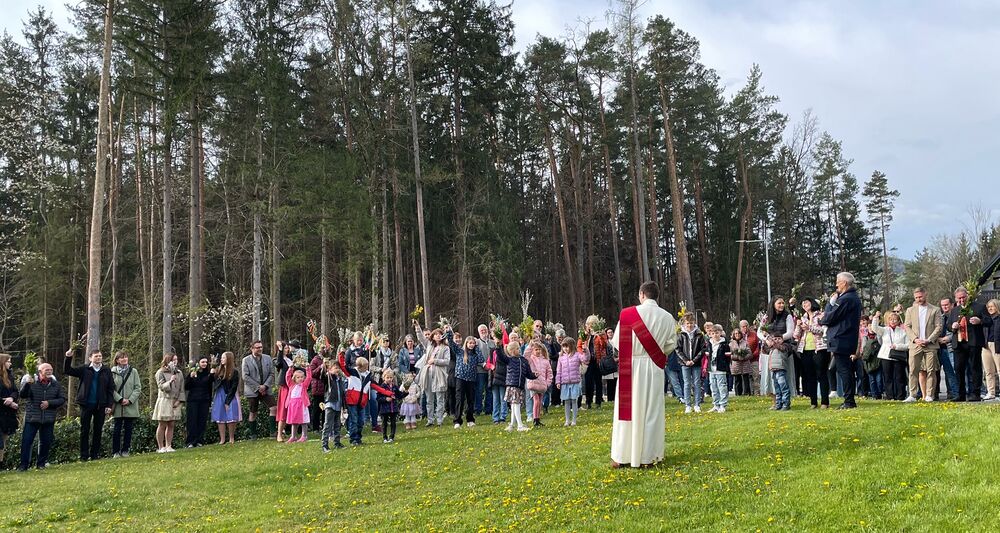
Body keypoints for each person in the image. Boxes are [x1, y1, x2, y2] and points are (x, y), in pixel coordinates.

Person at [609, 281, 677, 468]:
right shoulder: (667, 317)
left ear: (641, 294)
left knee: (626, 412)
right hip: (653, 367)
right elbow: (671, 345)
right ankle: (649, 457)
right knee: (651, 412)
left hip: (630, 366)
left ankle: (622, 456)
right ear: (657, 296)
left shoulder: (627, 314)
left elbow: (617, 342)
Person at [819, 272, 863, 409]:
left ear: (844, 283)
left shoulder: (846, 299)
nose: (836, 284)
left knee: (844, 370)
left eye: (838, 281)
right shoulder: (852, 297)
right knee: (845, 370)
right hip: (846, 337)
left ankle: (849, 401)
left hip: (841, 337)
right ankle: (849, 399)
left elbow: (830, 317)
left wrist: (829, 305)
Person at [63, 346, 114, 461]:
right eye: (96, 356)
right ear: (90, 358)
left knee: (98, 430)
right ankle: (84, 455)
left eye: (100, 356)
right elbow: (68, 370)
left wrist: (109, 405)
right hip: (86, 404)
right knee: (84, 430)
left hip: (101, 405)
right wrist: (68, 357)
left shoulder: (106, 370)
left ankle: (95, 454)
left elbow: (111, 388)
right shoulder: (84, 369)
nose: (98, 358)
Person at [946, 286, 993, 402]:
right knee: (958, 368)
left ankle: (975, 394)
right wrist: (952, 327)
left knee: (974, 368)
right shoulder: (955, 310)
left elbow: (989, 321)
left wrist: (980, 321)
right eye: (959, 298)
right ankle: (960, 394)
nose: (962, 300)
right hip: (959, 344)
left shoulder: (979, 307)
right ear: (956, 299)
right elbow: (948, 325)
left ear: (967, 296)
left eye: (963, 297)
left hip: (973, 342)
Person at [18, 363, 65, 471]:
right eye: (46, 370)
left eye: (51, 370)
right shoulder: (32, 382)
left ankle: (41, 464)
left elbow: (62, 399)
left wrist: (49, 403)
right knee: (27, 441)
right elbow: (23, 395)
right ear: (40, 372)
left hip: (48, 418)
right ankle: (24, 465)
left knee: (46, 442)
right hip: (32, 417)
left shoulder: (56, 384)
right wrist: (27, 384)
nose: (49, 372)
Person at [903, 288, 943, 402]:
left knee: (931, 370)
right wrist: (915, 339)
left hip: (930, 345)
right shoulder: (910, 310)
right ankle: (912, 394)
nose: (918, 299)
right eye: (916, 298)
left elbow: (939, 326)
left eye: (920, 297)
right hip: (915, 345)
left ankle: (929, 395)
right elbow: (907, 326)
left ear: (925, 295)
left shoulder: (935, 309)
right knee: (913, 370)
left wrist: (929, 340)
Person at [759, 296, 796, 409]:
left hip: (782, 349)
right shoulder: (766, 317)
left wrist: (778, 339)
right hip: (769, 349)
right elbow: (760, 331)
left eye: (783, 303)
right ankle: (776, 402)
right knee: (772, 378)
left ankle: (786, 401)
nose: (781, 305)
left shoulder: (787, 316)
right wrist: (766, 339)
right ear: (773, 304)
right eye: (779, 303)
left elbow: (790, 332)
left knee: (782, 377)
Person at [795, 298, 831, 409]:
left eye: (806, 302)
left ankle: (824, 402)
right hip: (805, 349)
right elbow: (796, 335)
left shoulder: (821, 315)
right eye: (803, 303)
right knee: (810, 376)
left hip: (820, 348)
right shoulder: (803, 317)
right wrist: (798, 325)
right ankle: (813, 402)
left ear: (812, 303)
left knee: (821, 374)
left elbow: (824, 330)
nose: (804, 304)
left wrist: (809, 327)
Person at [414, 321, 449, 426]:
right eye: (436, 334)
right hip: (427, 374)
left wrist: (435, 361)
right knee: (429, 398)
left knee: (440, 398)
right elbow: (421, 338)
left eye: (439, 334)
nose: (438, 336)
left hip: (439, 375)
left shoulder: (446, 348)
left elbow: (447, 361)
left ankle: (439, 420)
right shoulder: (429, 345)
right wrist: (417, 326)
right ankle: (430, 420)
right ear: (433, 337)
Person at [495, 341, 536, 432]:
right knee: (516, 404)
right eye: (517, 348)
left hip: (519, 386)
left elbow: (528, 374)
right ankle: (520, 425)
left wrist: (534, 375)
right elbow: (501, 356)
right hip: (512, 385)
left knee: (514, 405)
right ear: (512, 351)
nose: (519, 350)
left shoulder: (524, 360)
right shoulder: (509, 360)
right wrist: (498, 347)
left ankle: (512, 425)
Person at [871, 311, 908, 401]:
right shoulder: (885, 330)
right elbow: (874, 328)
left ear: (898, 321)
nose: (893, 321)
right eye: (891, 319)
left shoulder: (903, 331)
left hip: (898, 356)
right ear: (888, 321)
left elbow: (908, 345)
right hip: (886, 356)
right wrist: (876, 317)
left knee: (899, 377)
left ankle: (900, 396)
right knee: (888, 377)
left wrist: (897, 346)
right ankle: (890, 396)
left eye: (895, 320)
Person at [110, 351, 140, 458]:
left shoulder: (134, 371)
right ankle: (115, 452)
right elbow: (110, 388)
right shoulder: (112, 372)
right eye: (122, 358)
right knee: (117, 429)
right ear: (117, 360)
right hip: (118, 406)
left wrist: (130, 400)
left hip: (130, 405)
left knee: (129, 429)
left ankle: (125, 450)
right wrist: (120, 399)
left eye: (126, 357)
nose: (124, 359)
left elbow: (137, 388)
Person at [450, 333, 483, 428]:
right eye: (470, 343)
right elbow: (452, 344)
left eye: (473, 343)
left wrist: (477, 348)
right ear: (466, 343)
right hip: (460, 378)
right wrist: (449, 332)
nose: (471, 345)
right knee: (459, 399)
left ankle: (470, 419)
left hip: (471, 379)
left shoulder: (475, 354)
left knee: (470, 400)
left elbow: (481, 359)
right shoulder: (460, 352)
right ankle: (457, 420)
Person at [153, 354, 185, 452]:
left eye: (176, 359)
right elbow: (161, 386)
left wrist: (179, 401)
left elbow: (181, 388)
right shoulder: (160, 372)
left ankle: (169, 445)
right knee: (162, 424)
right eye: (173, 360)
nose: (175, 361)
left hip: (175, 401)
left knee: (171, 424)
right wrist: (170, 381)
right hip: (165, 400)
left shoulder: (179, 373)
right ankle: (161, 447)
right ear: (167, 360)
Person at [241, 340, 275, 430]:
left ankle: (273, 432)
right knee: (253, 412)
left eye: (261, 347)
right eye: (257, 347)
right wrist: (258, 387)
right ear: (252, 349)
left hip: (266, 389)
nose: (260, 349)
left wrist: (265, 386)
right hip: (252, 390)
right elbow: (245, 376)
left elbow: (271, 373)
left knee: (274, 408)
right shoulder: (246, 360)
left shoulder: (268, 358)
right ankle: (253, 434)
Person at [676, 314, 706, 413]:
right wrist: (686, 361)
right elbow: (678, 349)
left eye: (691, 323)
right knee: (687, 383)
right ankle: (688, 405)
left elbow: (703, 349)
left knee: (697, 383)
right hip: (685, 363)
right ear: (684, 324)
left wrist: (694, 360)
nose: (689, 325)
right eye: (687, 323)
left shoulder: (699, 334)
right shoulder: (681, 334)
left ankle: (697, 404)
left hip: (696, 363)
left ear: (694, 323)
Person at [555, 337, 588, 426]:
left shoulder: (577, 355)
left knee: (574, 400)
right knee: (566, 401)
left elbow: (585, 359)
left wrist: (585, 350)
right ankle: (567, 420)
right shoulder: (561, 357)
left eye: (567, 346)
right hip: (565, 382)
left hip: (575, 382)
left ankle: (574, 420)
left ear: (572, 346)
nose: (565, 349)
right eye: (564, 347)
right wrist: (558, 381)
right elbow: (559, 370)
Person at [212, 352, 241, 445]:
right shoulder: (218, 370)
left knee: (231, 416)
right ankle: (222, 439)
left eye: (223, 358)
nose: (221, 359)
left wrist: (227, 401)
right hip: (219, 395)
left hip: (230, 395)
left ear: (228, 359)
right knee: (220, 416)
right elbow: (214, 383)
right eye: (221, 357)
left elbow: (234, 387)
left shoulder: (234, 372)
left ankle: (231, 438)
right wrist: (213, 373)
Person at [184, 356, 213, 448]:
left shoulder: (208, 374)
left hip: (204, 400)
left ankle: (199, 440)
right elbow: (186, 386)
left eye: (206, 362)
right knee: (192, 421)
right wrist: (191, 377)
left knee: (202, 421)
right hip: (193, 400)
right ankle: (190, 441)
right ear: (198, 363)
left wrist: (210, 401)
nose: (205, 364)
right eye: (202, 362)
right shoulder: (193, 372)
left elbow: (210, 387)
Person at [525, 340, 552, 428]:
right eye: (536, 349)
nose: (538, 351)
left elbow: (549, 373)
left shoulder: (545, 361)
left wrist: (547, 383)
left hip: (542, 385)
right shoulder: (531, 359)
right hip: (533, 383)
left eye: (539, 349)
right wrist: (530, 346)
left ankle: (538, 418)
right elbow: (526, 355)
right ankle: (535, 419)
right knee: (536, 401)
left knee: (540, 402)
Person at [321, 359, 346, 452]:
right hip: (330, 404)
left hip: (338, 405)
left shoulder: (340, 380)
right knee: (328, 425)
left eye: (338, 368)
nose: (337, 370)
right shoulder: (328, 378)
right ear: (329, 369)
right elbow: (322, 375)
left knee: (337, 425)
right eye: (335, 368)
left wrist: (344, 407)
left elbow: (343, 394)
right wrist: (324, 366)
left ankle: (337, 443)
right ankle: (324, 445)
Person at [582, 316, 607, 410]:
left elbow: (604, 345)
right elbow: (580, 344)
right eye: (589, 324)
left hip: (597, 360)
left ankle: (598, 402)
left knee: (598, 381)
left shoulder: (600, 333)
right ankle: (588, 402)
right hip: (588, 361)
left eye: (592, 324)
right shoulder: (584, 334)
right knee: (588, 381)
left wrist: (599, 335)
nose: (590, 326)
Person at [705, 325, 731, 413]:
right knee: (713, 387)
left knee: (722, 387)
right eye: (713, 333)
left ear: (720, 333)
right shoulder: (709, 344)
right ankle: (716, 405)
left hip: (721, 369)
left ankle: (723, 404)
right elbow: (707, 356)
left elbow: (728, 358)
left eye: (716, 333)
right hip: (712, 369)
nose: (715, 335)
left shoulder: (724, 344)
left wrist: (724, 366)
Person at [284, 365, 312, 443]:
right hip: (292, 405)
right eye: (298, 377)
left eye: (302, 377)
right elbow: (287, 377)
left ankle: (304, 436)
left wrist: (307, 368)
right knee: (294, 421)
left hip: (302, 404)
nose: (300, 379)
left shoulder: (304, 385)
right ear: (294, 378)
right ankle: (293, 436)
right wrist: (290, 368)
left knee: (303, 420)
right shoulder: (291, 385)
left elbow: (309, 378)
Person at [376, 369, 406, 443]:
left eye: (391, 377)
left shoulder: (395, 387)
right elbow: (378, 398)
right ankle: (385, 437)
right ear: (384, 378)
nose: (389, 379)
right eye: (387, 377)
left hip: (393, 408)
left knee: (393, 423)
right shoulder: (381, 387)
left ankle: (392, 437)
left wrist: (405, 392)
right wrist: (385, 399)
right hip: (384, 409)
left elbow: (399, 395)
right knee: (384, 423)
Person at [937, 298, 959, 400]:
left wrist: (948, 339)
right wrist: (939, 339)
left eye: (947, 304)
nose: (945, 307)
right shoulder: (940, 317)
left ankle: (958, 393)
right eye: (943, 305)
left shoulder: (956, 316)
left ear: (952, 304)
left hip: (952, 347)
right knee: (948, 372)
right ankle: (952, 393)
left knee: (955, 371)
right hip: (941, 348)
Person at [0, 354, 19, 464]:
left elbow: (15, 391)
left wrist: (12, 398)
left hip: (7, 415)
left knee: (3, 440)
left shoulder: (9, 376)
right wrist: (7, 402)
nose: (10, 363)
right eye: (8, 361)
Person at [488, 329, 510, 425]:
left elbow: (503, 360)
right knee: (495, 398)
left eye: (499, 338)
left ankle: (503, 416)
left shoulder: (505, 349)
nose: (497, 340)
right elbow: (489, 362)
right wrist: (491, 366)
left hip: (502, 376)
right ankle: (495, 417)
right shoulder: (492, 350)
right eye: (495, 338)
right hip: (494, 376)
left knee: (503, 397)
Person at [859, 317, 883, 400]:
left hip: (878, 360)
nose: (871, 328)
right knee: (872, 379)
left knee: (879, 379)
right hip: (869, 361)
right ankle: (874, 395)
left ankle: (880, 393)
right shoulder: (865, 338)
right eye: (869, 326)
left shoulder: (878, 337)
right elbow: (864, 349)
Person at [475, 324, 494, 415]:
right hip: (480, 371)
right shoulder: (476, 342)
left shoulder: (492, 342)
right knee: (479, 390)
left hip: (491, 371)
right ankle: (478, 409)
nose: (483, 331)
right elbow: (475, 356)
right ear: (479, 332)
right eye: (481, 330)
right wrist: (483, 364)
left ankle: (488, 410)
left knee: (489, 390)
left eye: (485, 329)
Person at [308, 348, 327, 433]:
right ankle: (315, 428)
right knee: (317, 409)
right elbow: (312, 373)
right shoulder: (315, 360)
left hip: (326, 388)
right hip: (318, 388)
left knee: (325, 409)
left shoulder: (328, 358)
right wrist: (320, 367)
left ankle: (325, 427)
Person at [729, 329, 753, 396]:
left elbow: (750, 354)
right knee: (737, 380)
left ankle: (747, 393)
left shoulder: (745, 343)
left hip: (745, 364)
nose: (737, 335)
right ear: (734, 335)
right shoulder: (731, 344)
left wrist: (744, 357)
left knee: (746, 379)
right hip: (736, 364)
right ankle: (738, 394)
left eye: (738, 333)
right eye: (736, 333)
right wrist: (737, 357)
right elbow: (730, 355)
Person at [985, 299, 1000, 400]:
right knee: (988, 370)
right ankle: (991, 392)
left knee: (999, 369)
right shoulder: (986, 319)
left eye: (992, 306)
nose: (990, 308)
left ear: (997, 307)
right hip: (986, 346)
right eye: (988, 307)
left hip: (997, 345)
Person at [741, 320, 761, 394]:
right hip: (743, 360)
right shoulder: (739, 335)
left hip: (754, 359)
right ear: (740, 327)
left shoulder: (754, 334)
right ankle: (749, 392)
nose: (745, 328)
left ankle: (757, 392)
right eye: (743, 326)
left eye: (746, 326)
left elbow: (757, 347)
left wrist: (752, 355)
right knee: (746, 377)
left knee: (755, 376)